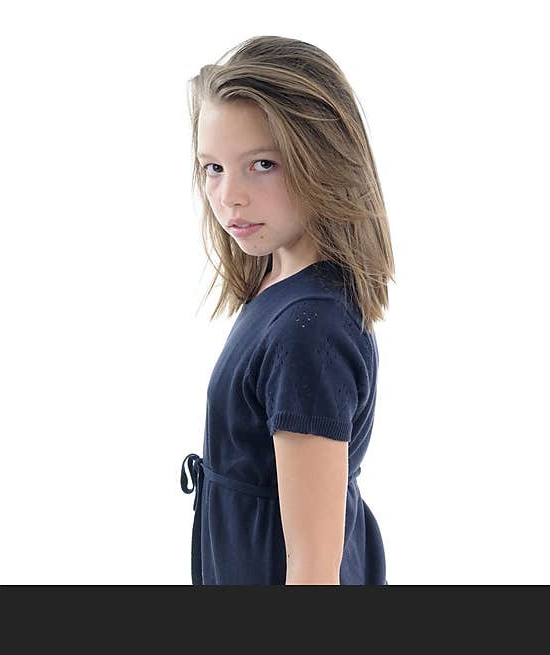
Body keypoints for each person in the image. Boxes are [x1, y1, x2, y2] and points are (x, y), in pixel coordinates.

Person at [180, 36, 395, 585]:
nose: (230, 196)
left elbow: (313, 569)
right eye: (213, 168)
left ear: (323, 160)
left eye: (262, 164)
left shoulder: (309, 331)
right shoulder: (282, 282)